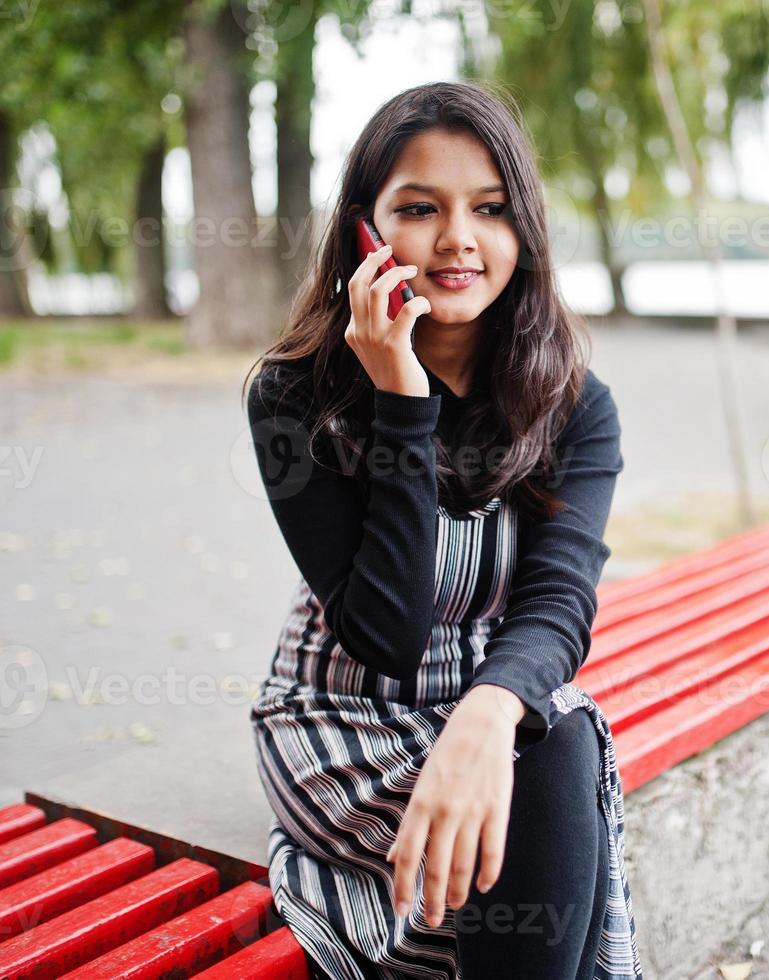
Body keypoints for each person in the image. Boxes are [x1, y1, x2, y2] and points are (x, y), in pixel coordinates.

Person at [241, 80, 644, 980]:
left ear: (524, 232)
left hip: (489, 703)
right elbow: (385, 634)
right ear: (364, 232)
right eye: (419, 208)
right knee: (550, 787)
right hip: (346, 719)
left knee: (557, 737)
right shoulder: (293, 396)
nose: (459, 238)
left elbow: (558, 603)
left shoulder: (573, 408)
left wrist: (487, 714)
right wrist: (400, 400)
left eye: (490, 209)